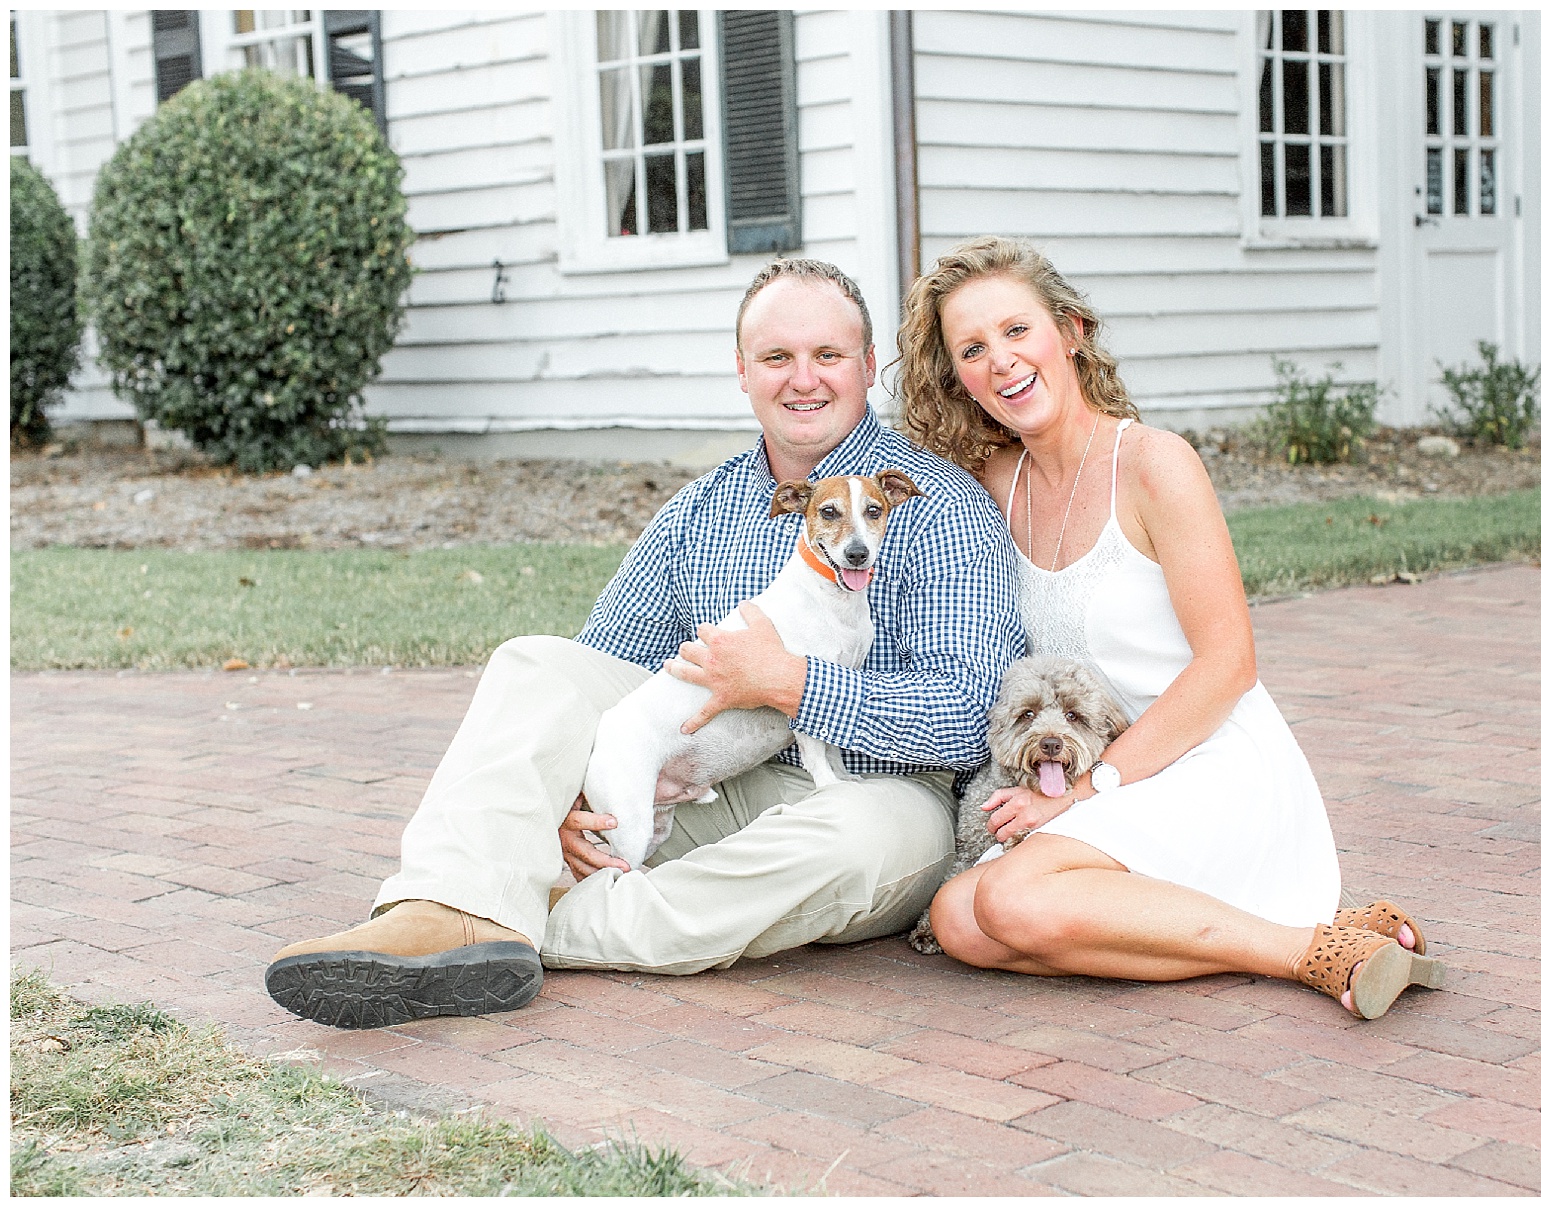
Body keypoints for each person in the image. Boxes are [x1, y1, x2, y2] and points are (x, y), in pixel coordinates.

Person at [266, 258, 1026, 1028]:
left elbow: (967, 716)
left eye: (828, 356)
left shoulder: (939, 507)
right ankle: (443, 906)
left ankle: (515, 926)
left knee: (857, 847)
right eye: (776, 358)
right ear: (742, 371)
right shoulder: (697, 513)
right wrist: (564, 795)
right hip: (701, 772)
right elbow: (602, 672)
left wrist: (791, 682)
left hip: (868, 790)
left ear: (867, 367)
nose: (804, 380)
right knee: (535, 665)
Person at [896, 237, 1442, 1020]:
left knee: (1011, 901)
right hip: (1100, 778)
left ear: (1071, 331)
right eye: (973, 348)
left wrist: (1085, 789)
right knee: (958, 918)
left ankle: (1308, 953)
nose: (1003, 362)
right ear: (957, 378)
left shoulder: (1156, 464)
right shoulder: (987, 487)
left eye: (1018, 331)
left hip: (1208, 756)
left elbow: (1229, 665)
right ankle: (1307, 927)